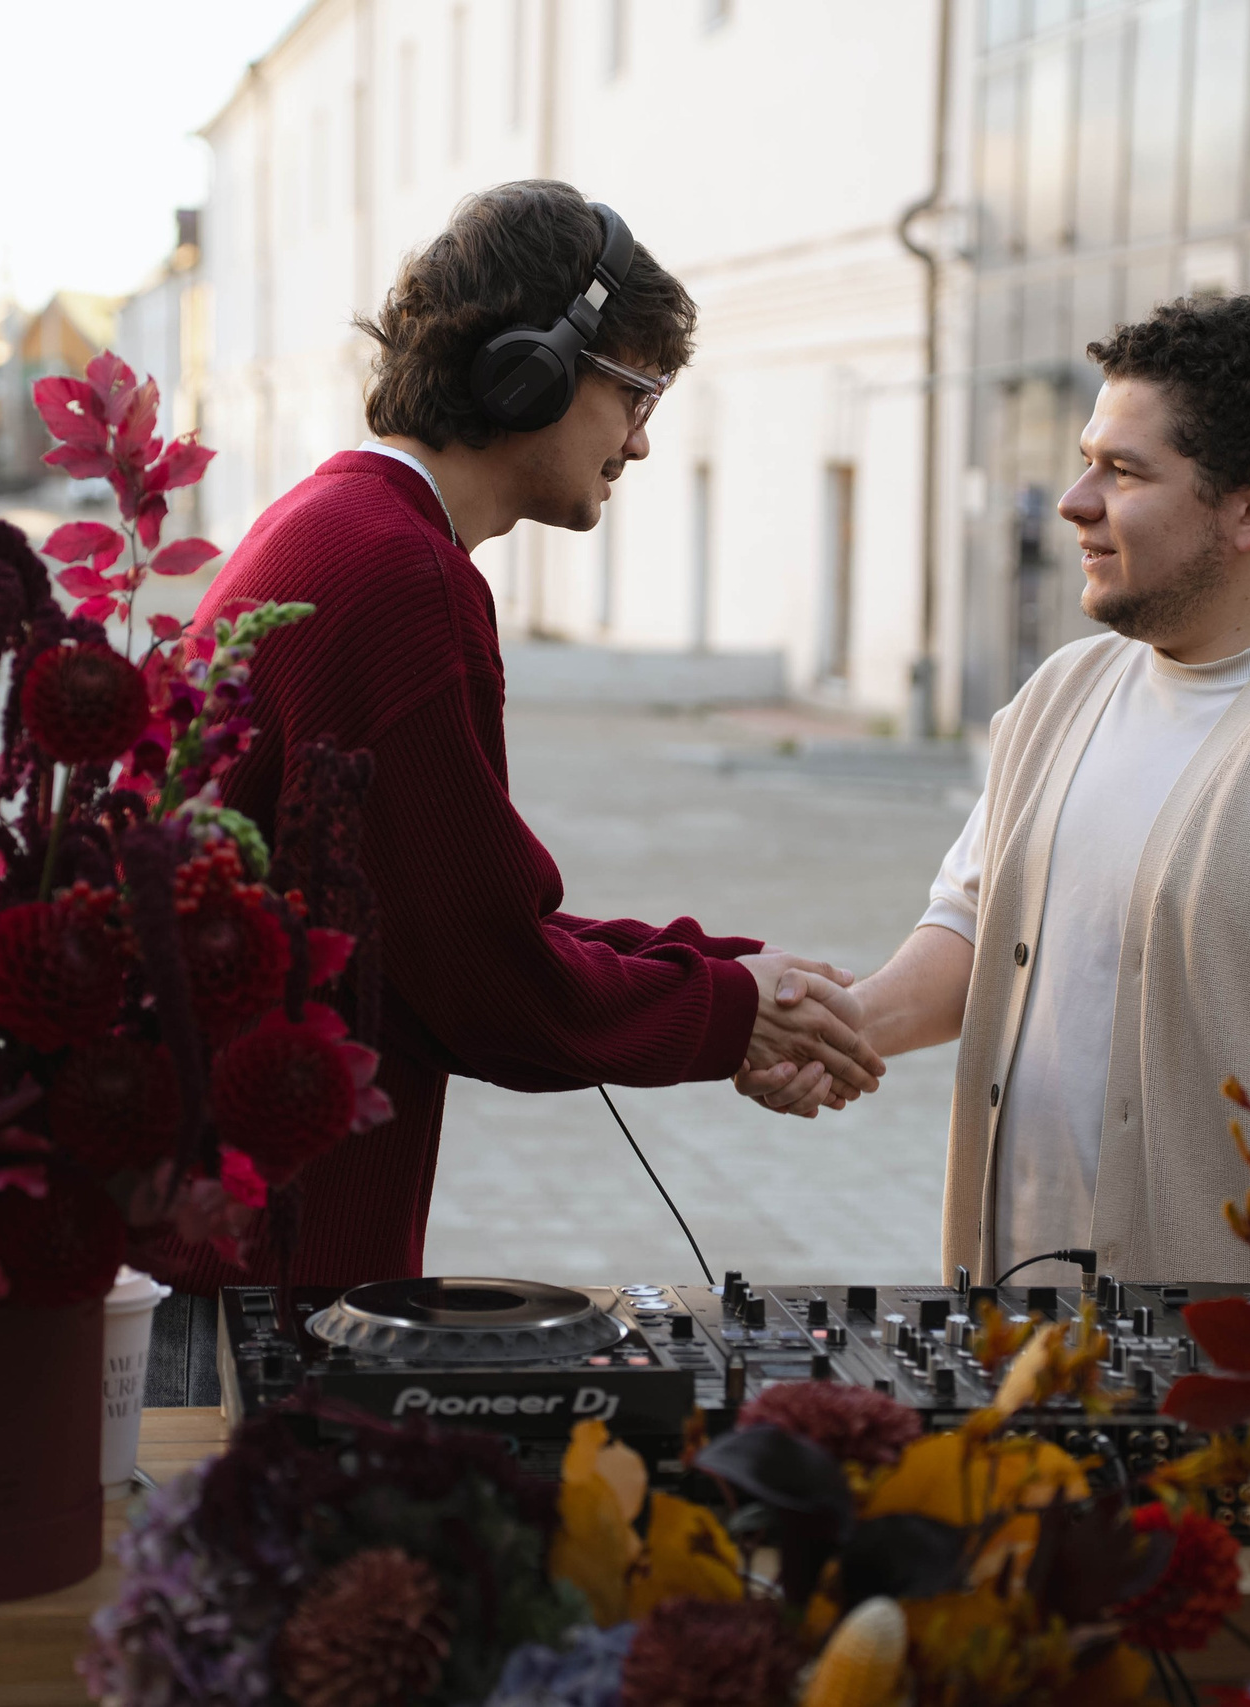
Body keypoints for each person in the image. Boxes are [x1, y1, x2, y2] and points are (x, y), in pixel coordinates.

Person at [182, 180, 881, 1296]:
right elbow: (480, 979)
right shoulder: (399, 574)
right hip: (260, 1256)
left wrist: (733, 979)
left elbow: (435, 915)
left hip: (232, 1222)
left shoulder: (336, 525)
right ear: (533, 370)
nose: (642, 443)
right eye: (636, 393)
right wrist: (732, 1013)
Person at [742, 293, 1250, 1287]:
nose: (1072, 500)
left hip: (1240, 1396)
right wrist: (841, 1028)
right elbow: (976, 927)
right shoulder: (1061, 695)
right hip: (1011, 1336)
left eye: (1122, 471)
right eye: (1085, 460)